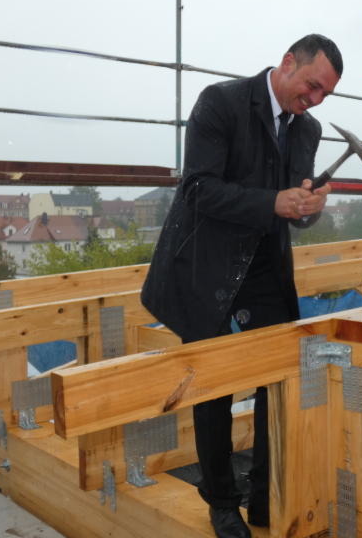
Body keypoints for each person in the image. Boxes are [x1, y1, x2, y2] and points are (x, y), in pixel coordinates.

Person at [141, 34, 342, 538]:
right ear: (287, 62)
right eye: (311, 86)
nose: (314, 100)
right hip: (206, 269)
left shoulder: (307, 129)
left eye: (324, 96)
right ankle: (222, 502)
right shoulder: (221, 103)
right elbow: (198, 188)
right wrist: (272, 202)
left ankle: (263, 496)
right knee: (212, 389)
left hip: (265, 271)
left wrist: (307, 209)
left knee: (279, 380)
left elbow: (293, 211)